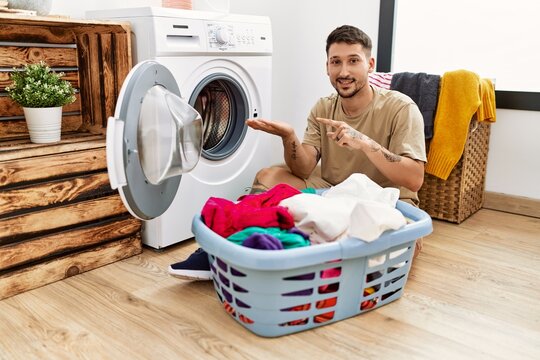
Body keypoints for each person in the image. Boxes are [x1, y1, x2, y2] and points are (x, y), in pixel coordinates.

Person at [168, 25, 426, 280]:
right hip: (332, 190)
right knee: (269, 176)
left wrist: (364, 142)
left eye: (353, 61)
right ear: (327, 67)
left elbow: (414, 178)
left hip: (386, 198)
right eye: (336, 62)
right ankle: (230, 246)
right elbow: (303, 169)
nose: (344, 71)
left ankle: (286, 258)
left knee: (389, 260)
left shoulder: (401, 108)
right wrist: (288, 137)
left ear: (370, 64)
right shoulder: (323, 107)